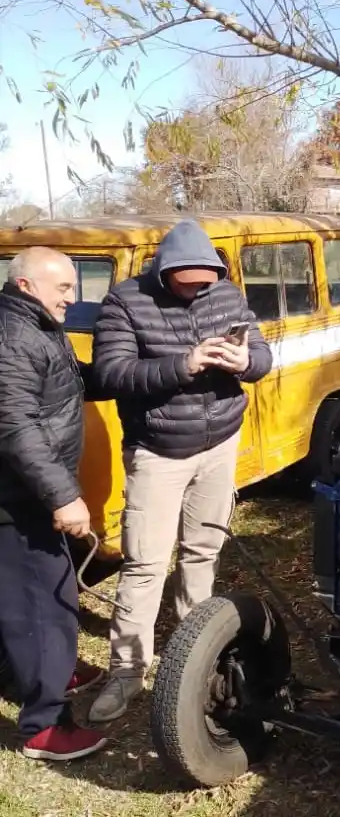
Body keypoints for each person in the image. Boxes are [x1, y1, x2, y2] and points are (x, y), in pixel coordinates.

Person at [87, 219, 272, 724]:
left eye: (204, 283)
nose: (197, 292)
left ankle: (195, 653)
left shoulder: (227, 292)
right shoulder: (125, 301)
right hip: (159, 452)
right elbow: (110, 375)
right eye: (186, 284)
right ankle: (127, 671)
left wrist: (243, 361)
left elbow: (262, 356)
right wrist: (185, 363)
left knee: (203, 552)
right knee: (145, 564)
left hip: (220, 445)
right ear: (164, 272)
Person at [0, 247, 110, 761]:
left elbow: (72, 380)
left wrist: (159, 369)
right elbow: (16, 425)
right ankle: (44, 727)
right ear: (26, 286)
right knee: (44, 606)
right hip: (19, 499)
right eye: (63, 287)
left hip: (29, 495)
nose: (73, 296)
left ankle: (52, 668)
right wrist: (63, 495)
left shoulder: (38, 326)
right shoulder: (15, 337)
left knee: (40, 593)